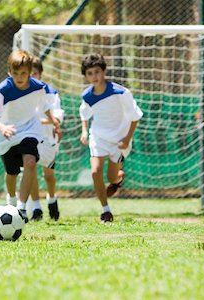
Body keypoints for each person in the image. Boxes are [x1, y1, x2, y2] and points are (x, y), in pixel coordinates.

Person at [0, 49, 62, 223]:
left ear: (29, 73)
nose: (20, 77)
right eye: (15, 73)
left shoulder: (38, 87)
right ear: (9, 72)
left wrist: (54, 123)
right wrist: (2, 127)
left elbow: (44, 108)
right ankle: (11, 200)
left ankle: (21, 207)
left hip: (30, 129)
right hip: (7, 133)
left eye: (24, 73)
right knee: (11, 173)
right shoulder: (2, 90)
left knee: (30, 162)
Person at [79, 54, 143, 223]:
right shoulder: (87, 96)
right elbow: (84, 114)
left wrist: (127, 139)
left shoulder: (121, 93)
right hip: (98, 137)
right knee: (95, 171)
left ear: (104, 71)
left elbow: (135, 116)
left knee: (112, 177)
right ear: (86, 76)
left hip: (119, 140)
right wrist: (84, 131)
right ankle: (105, 211)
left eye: (97, 72)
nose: (94, 76)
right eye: (90, 73)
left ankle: (118, 179)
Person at [29, 56, 64, 221]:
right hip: (29, 138)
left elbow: (56, 118)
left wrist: (38, 120)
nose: (31, 76)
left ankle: (52, 199)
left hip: (48, 137)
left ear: (40, 74)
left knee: (48, 175)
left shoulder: (50, 93)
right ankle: (36, 208)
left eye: (34, 73)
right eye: (28, 73)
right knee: (31, 170)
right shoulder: (21, 94)